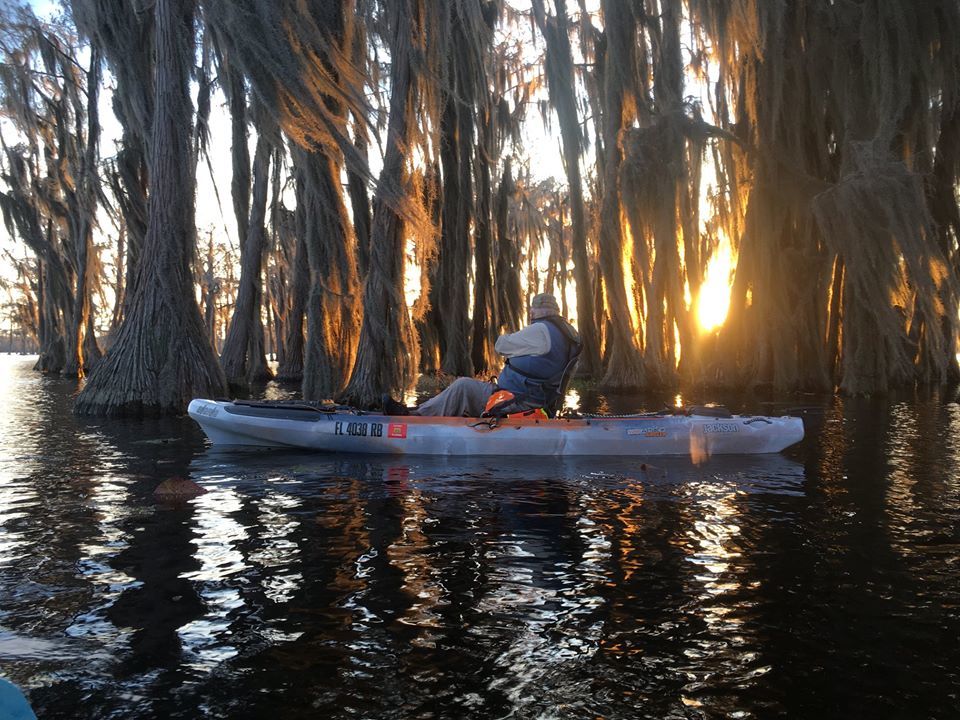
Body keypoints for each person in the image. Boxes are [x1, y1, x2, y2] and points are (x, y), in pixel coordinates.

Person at [382, 293, 581, 417]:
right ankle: (424, 412)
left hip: (519, 401)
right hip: (536, 398)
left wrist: (513, 339)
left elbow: (501, 345)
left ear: (537, 310)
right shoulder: (565, 332)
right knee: (470, 389)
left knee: (463, 386)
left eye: (533, 310)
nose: (531, 314)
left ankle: (414, 417)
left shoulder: (540, 330)